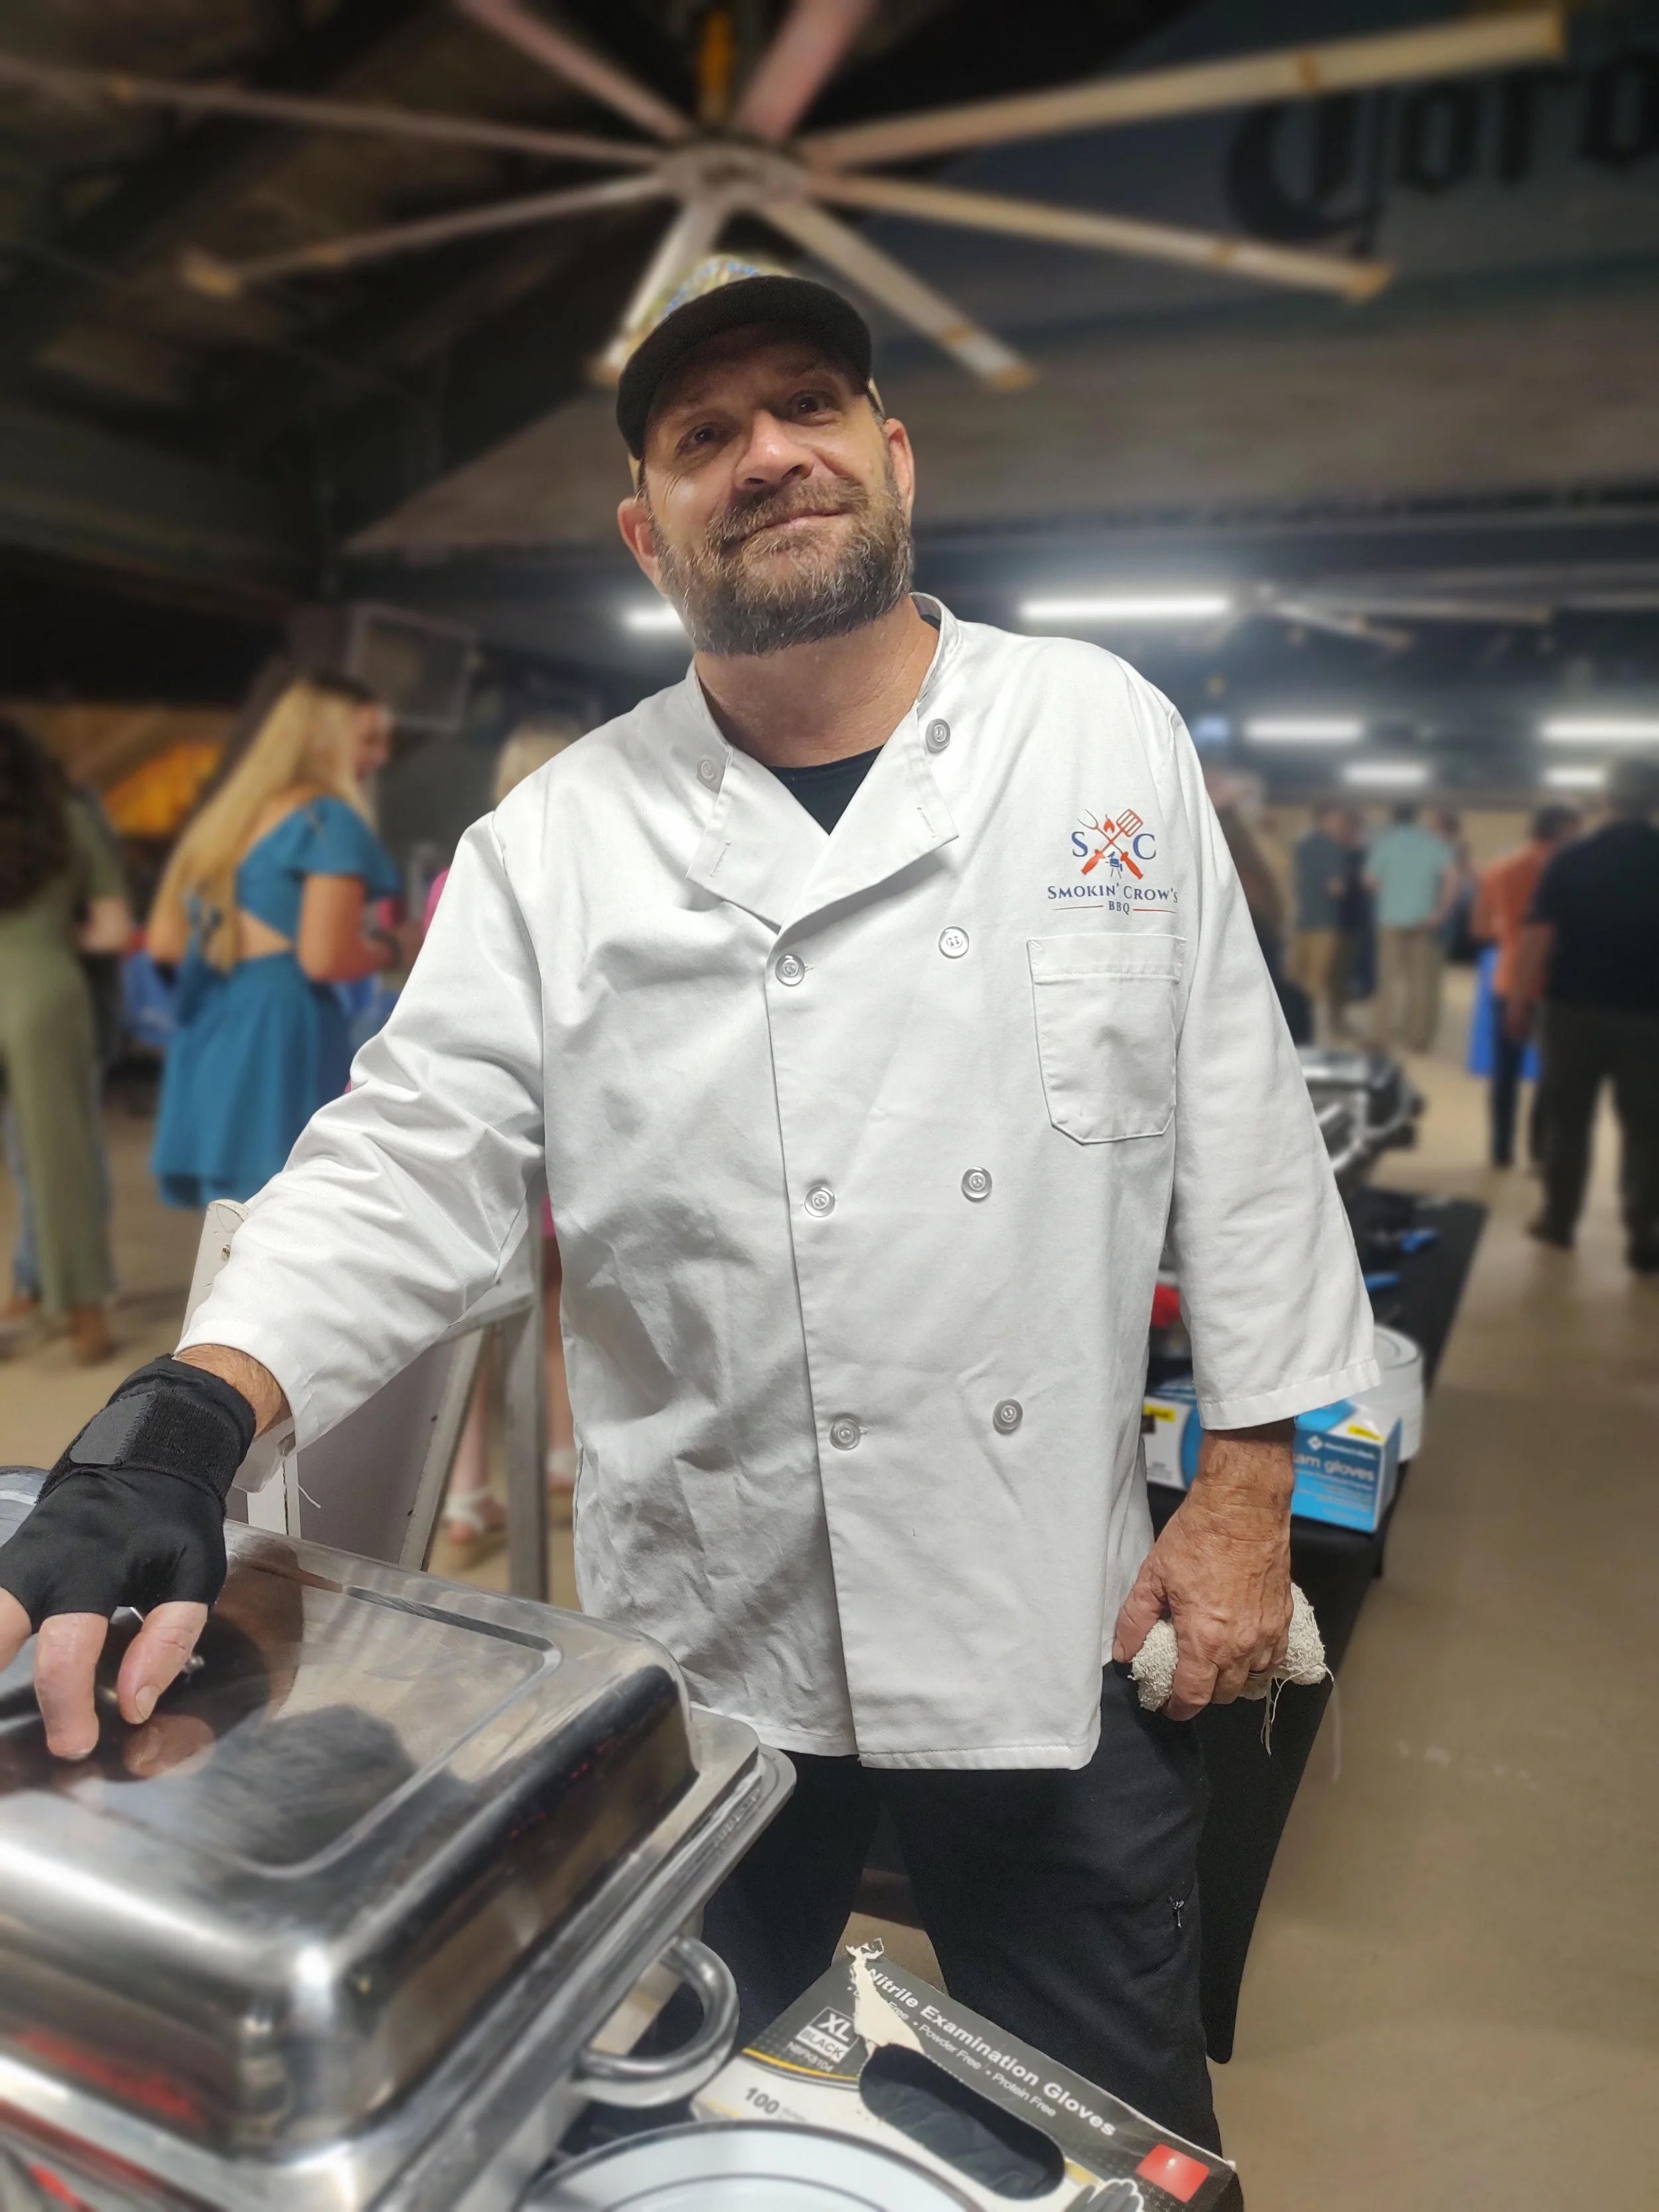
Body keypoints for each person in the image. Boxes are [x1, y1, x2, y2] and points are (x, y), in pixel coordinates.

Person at [0, 258, 1376, 2156]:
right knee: (653, 2110)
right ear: (647, 530)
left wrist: (1244, 1492)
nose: (768, 453)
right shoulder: (556, 841)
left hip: (1044, 1602)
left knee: (1111, 2132)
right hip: (711, 1634)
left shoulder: (1091, 733)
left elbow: (1234, 1116)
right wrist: (184, 1414)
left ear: (895, 457)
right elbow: (411, 1152)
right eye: (705, 434)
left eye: (808, 404)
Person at [147, 675, 410, 1209]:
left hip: (213, 1022)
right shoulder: (327, 820)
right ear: (323, 741)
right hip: (281, 1030)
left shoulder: (229, 819)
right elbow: (325, 957)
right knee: (286, 1216)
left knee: (230, 1230)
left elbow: (165, 942)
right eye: (369, 740)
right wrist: (396, 946)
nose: (382, 757)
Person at [432, 720, 585, 1559]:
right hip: (568, 1133)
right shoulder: (597, 872)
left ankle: (464, 1500)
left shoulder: (467, 872)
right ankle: (565, 1460)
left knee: (470, 1331)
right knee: (562, 1309)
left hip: (496, 1132)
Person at [0, 723, 133, 1364]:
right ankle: (85, 1317)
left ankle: (23, 1299)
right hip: (44, 988)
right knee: (62, 1159)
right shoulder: (71, 822)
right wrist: (54, 940)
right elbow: (112, 929)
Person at [1508, 758, 1659, 1270]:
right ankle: (1646, 1234)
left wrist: (1518, 998)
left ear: (1606, 799)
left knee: (1567, 1120)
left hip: (1573, 1010)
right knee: (1648, 1126)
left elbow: (1536, 935)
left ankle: (1559, 1220)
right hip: (1649, 1016)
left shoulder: (1570, 859)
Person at [1473, 804, 1581, 1169]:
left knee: (1506, 1070)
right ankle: (1539, 1150)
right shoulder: (1568, 869)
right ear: (1564, 827)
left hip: (1507, 978)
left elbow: (1481, 928)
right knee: (1553, 1072)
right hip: (1556, 980)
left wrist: (1510, 937)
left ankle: (1501, 1150)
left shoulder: (1500, 868)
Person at [1365, 801, 1457, 1052]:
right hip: (1424, 921)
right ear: (1417, 818)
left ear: (1392, 818)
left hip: (1391, 920)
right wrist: (1440, 913)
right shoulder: (1435, 844)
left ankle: (1379, 1037)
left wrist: (1392, 889)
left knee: (1387, 980)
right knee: (1419, 982)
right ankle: (1418, 1038)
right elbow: (1452, 880)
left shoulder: (1384, 843)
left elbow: (1371, 882)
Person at [1290, 800, 1354, 1042]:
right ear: (1326, 818)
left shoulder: (1303, 843)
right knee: (1315, 982)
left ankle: (1284, 1024)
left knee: (1295, 977)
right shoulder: (1332, 846)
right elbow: (1335, 887)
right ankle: (1302, 1034)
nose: (1340, 823)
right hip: (1324, 922)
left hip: (1301, 919)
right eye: (1337, 818)